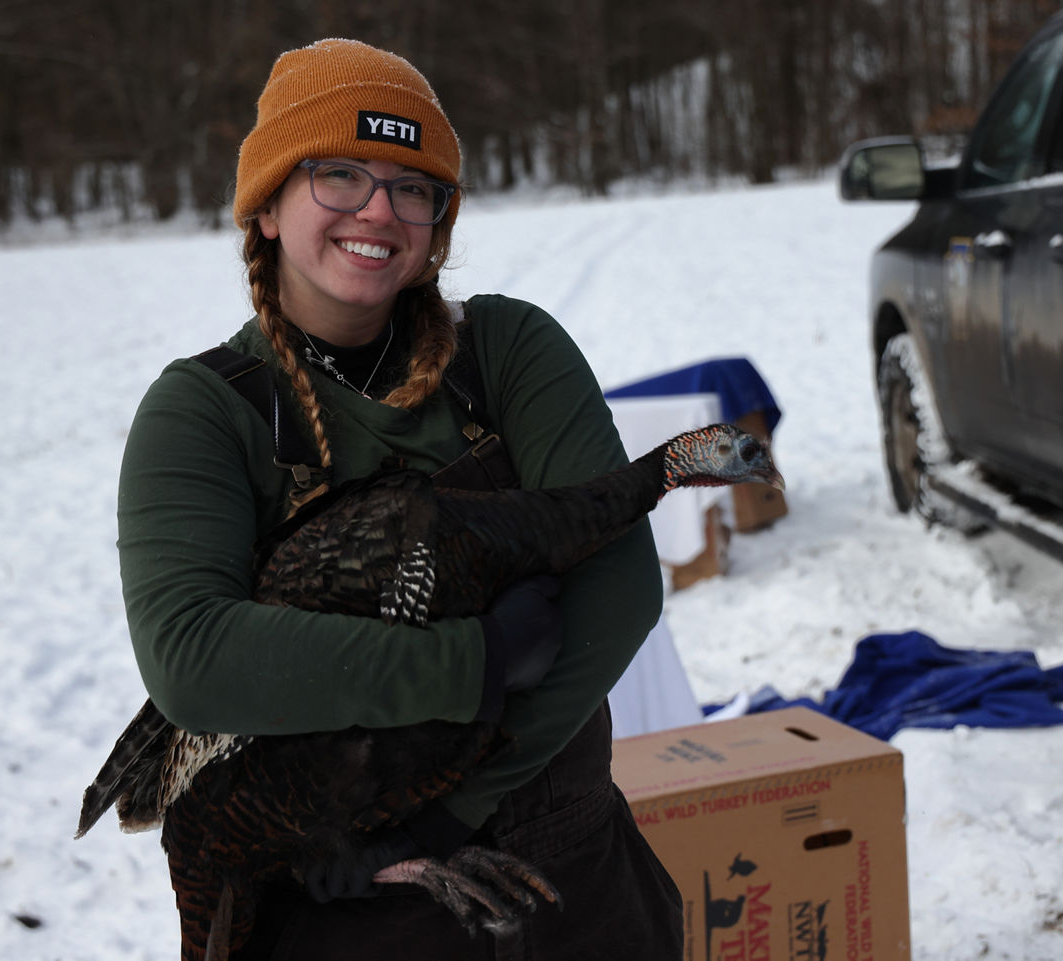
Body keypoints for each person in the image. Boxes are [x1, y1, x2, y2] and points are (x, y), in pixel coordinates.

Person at [116, 38, 683, 960]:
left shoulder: (506, 354)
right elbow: (195, 659)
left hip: (572, 887)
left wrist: (443, 818)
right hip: (339, 905)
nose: (379, 210)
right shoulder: (206, 409)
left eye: (412, 186)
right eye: (338, 175)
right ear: (266, 206)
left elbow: (617, 595)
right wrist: (475, 663)